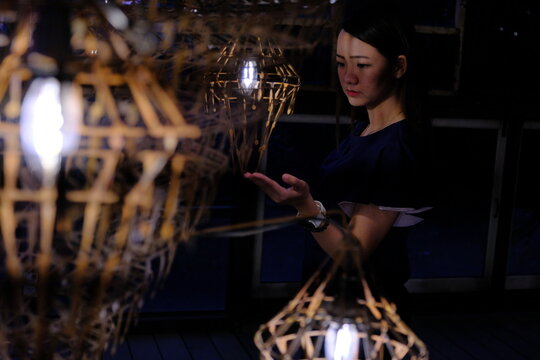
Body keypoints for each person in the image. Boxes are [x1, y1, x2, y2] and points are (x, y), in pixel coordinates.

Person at [244, 3, 432, 319]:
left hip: (361, 313)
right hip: (331, 302)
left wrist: (306, 208)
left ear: (398, 67)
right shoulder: (365, 130)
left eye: (363, 65)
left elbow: (354, 254)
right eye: (341, 63)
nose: (349, 77)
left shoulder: (393, 147)